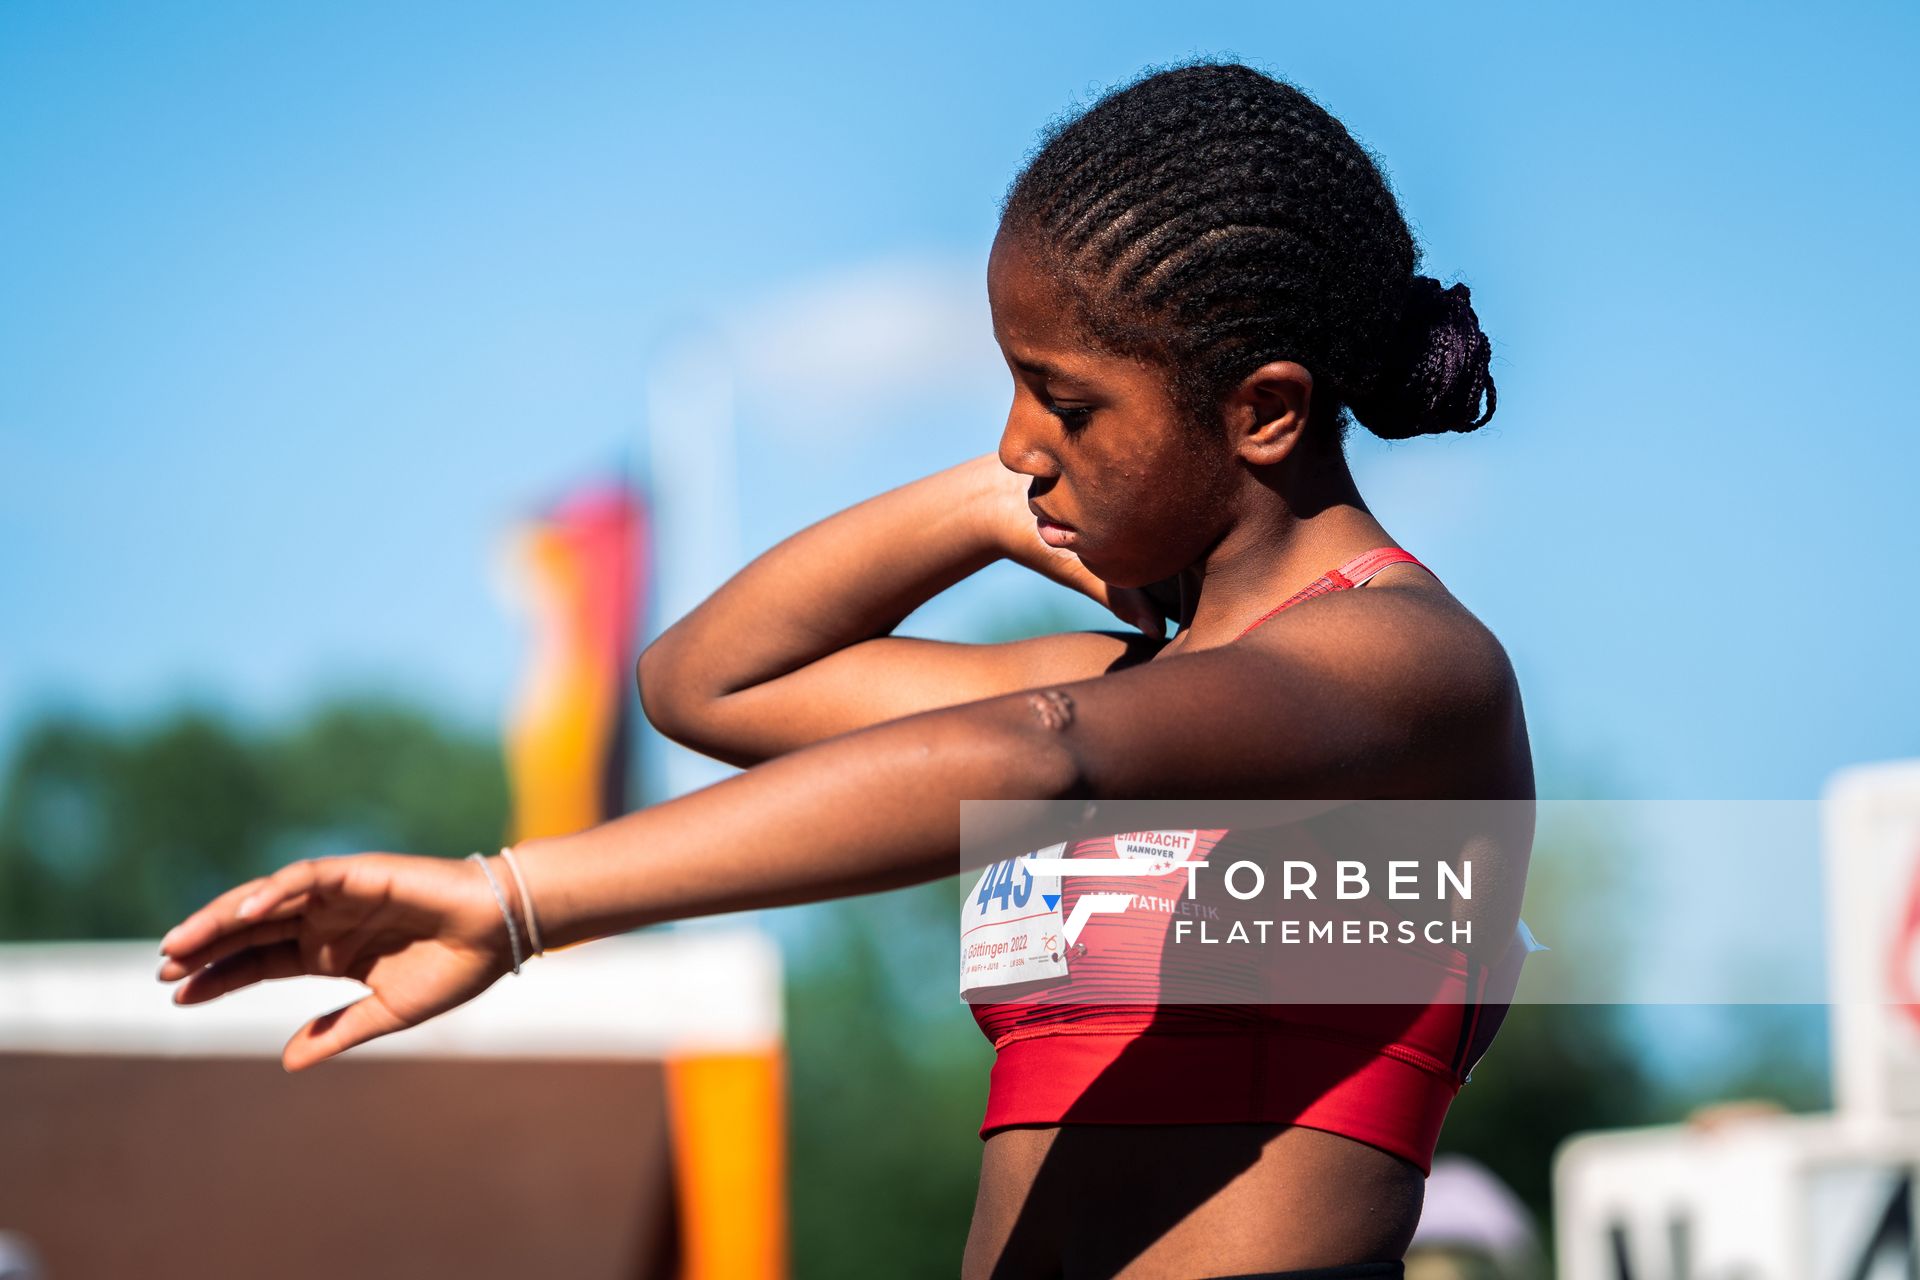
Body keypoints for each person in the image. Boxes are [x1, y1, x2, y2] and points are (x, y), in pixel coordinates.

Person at [156, 59, 1534, 1279]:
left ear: (1266, 411)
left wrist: (516, 902)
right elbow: (706, 684)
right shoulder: (1137, 681)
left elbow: (1033, 756)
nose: (1017, 438)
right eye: (1010, 385)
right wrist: (988, 508)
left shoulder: (1408, 672)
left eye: (1064, 402)